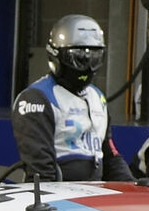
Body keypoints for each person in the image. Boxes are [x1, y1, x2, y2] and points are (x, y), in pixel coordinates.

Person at [14, 15, 132, 182]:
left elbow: (110, 155)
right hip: (60, 196)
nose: (87, 67)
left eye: (95, 58)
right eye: (79, 58)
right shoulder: (36, 98)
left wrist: (133, 189)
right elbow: (41, 170)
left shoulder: (97, 97)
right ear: (56, 55)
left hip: (94, 193)